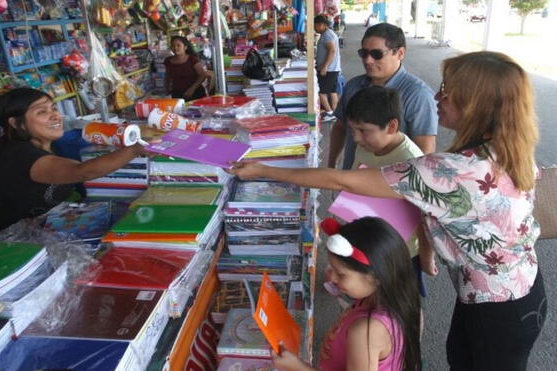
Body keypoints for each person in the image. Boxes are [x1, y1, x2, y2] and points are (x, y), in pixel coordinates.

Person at [230, 51, 547, 370]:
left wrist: (264, 171)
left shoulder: (451, 171)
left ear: (475, 104)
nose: (437, 96)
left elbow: (342, 180)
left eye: (448, 92)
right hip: (518, 291)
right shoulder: (507, 148)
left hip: (496, 308)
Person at [0, 88, 148, 234]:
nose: (55, 115)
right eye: (42, 112)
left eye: (53, 108)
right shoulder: (20, 155)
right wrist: (134, 150)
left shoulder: (49, 145)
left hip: (49, 227)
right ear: (15, 123)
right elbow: (83, 171)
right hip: (15, 244)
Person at [271, 217, 421, 371]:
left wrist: (297, 366)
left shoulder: (365, 333)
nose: (331, 276)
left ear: (376, 278)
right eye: (332, 268)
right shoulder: (400, 301)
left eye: (341, 274)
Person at [343, 85, 435, 280]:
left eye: (363, 130)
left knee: (399, 303)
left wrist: (427, 257)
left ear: (392, 127)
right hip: (369, 240)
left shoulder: (411, 161)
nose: (356, 138)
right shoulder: (368, 145)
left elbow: (424, 216)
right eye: (352, 130)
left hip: (399, 253)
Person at [328, 23, 437, 170]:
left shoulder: (417, 94)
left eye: (377, 54)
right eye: (364, 53)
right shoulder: (353, 86)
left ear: (400, 53)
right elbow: (341, 127)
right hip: (351, 177)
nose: (368, 60)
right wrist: (331, 165)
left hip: (392, 186)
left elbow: (425, 150)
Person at [314, 15, 341, 122]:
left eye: (315, 26)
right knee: (332, 91)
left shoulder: (327, 35)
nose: (314, 28)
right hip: (333, 68)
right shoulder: (328, 34)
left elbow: (332, 51)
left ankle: (330, 113)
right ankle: (336, 113)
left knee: (321, 92)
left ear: (321, 25)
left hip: (329, 69)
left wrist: (324, 66)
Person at [164, 36, 208, 101]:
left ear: (185, 47)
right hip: (177, 94)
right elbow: (168, 76)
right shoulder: (168, 61)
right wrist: (167, 89)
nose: (175, 48)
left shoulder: (192, 59)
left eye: (178, 45)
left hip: (195, 94)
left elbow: (203, 75)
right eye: (173, 46)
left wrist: (191, 89)